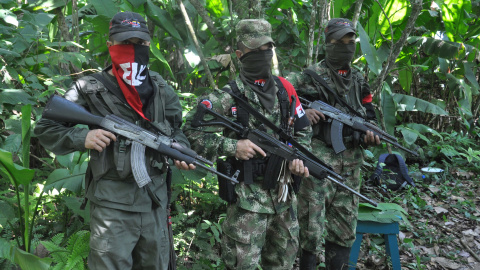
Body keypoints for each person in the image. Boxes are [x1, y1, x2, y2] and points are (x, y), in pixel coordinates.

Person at [34, 11, 194, 270]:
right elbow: (46, 128)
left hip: (154, 201)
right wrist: (82, 135)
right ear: (110, 46)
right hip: (112, 205)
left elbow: (176, 130)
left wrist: (181, 151)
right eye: (125, 44)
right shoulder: (89, 87)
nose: (132, 50)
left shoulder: (161, 88)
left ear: (148, 45)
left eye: (139, 44)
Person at [183, 19, 311, 269]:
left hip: (285, 199)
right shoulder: (226, 97)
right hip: (247, 203)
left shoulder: (285, 89)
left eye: (267, 49)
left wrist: (298, 159)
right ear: (240, 54)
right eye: (256, 51)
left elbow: (303, 130)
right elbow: (190, 132)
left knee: (282, 263)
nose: (263, 55)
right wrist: (232, 147)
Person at [287, 18, 380, 270]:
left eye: (350, 42)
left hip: (351, 165)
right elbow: (278, 95)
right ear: (328, 44)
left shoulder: (359, 79)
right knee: (311, 229)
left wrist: (369, 133)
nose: (346, 47)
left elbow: (368, 112)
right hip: (318, 163)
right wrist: (303, 111)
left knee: (344, 228)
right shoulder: (309, 76)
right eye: (340, 43)